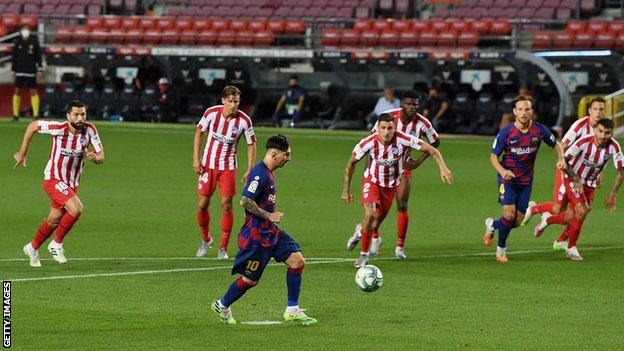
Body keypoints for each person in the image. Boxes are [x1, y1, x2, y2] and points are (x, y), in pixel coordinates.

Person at [212, 134, 317, 326]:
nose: (289, 158)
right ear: (275, 154)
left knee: (297, 262)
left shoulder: (268, 173)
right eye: (287, 154)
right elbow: (245, 200)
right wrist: (269, 215)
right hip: (256, 237)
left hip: (271, 232)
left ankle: (292, 309)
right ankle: (222, 304)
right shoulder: (259, 174)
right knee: (250, 280)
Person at [342, 113, 453, 268]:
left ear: (394, 128)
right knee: (370, 214)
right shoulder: (367, 143)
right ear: (378, 129)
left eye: (390, 128)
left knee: (374, 224)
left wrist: (443, 168)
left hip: (391, 187)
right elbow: (350, 164)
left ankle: (361, 231)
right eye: (383, 128)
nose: (387, 132)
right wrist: (346, 190)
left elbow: (432, 149)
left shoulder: (403, 139)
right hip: (372, 181)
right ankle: (363, 255)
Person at [13, 100, 105, 267]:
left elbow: (101, 156)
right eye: (76, 114)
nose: (80, 118)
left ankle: (32, 247)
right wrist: (23, 151)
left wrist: (94, 157)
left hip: (71, 183)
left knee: (53, 221)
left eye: (83, 114)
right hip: (53, 178)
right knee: (76, 209)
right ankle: (56, 244)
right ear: (68, 116)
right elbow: (33, 125)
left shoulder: (90, 130)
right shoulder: (58, 129)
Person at [483, 95, 566, 263]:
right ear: (514, 112)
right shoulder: (506, 132)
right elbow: (493, 157)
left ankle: (492, 225)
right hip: (507, 179)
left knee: (516, 221)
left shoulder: (539, 130)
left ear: (532, 112)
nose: (523, 112)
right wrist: (502, 170)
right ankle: (501, 251)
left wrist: (561, 158)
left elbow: (556, 144)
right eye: (520, 109)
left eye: (527, 109)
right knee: (509, 214)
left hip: (526, 181)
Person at [531, 118, 623, 260]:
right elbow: (563, 161)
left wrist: (613, 194)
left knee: (570, 217)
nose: (603, 136)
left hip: (590, 185)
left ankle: (547, 220)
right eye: (600, 131)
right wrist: (574, 178)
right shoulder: (583, 142)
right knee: (581, 210)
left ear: (612, 133)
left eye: (607, 133)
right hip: (573, 178)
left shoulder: (614, 146)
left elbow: (622, 171)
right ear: (595, 130)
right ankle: (571, 247)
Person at [521, 97, 606, 250]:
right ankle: (534, 209)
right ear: (589, 111)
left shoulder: (604, 129)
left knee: (579, 212)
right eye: (596, 109)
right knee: (558, 209)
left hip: (587, 178)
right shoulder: (580, 126)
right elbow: (563, 145)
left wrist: (600, 172)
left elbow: (602, 153)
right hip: (569, 172)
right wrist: (564, 168)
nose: (598, 112)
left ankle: (560, 240)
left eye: (601, 109)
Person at [193, 85, 257, 259]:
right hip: (207, 165)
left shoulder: (244, 121)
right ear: (223, 100)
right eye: (230, 101)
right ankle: (206, 240)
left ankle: (222, 248)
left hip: (228, 167)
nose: (234, 105)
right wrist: (195, 159)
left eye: (237, 101)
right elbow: (199, 131)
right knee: (202, 205)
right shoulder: (211, 113)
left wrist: (250, 168)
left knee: (226, 205)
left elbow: (251, 144)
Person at [12, 25, 43, 121]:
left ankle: (35, 114)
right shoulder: (17, 43)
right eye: (24, 29)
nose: (25, 31)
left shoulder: (34, 42)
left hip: (31, 71)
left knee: (33, 92)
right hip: (19, 71)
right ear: (20, 31)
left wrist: (40, 69)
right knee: (17, 91)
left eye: (27, 29)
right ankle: (15, 114)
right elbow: (14, 57)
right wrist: (13, 71)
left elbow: (38, 56)